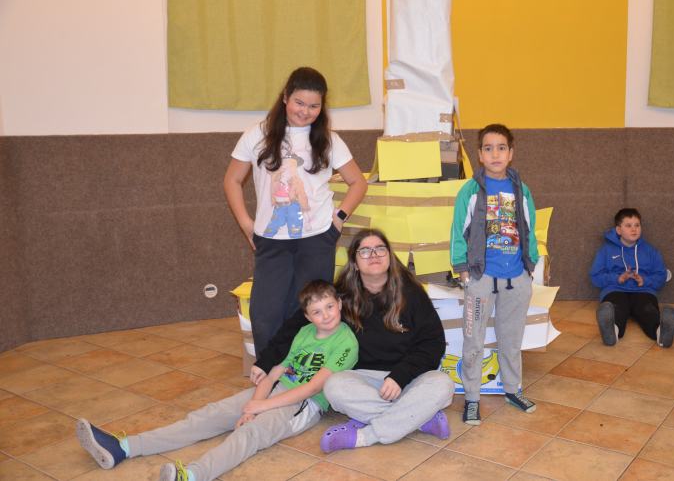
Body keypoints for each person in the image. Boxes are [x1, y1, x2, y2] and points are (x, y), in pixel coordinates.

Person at [75, 280, 357, 481]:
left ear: (339, 304)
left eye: (329, 307)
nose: (325, 315)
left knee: (251, 433)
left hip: (304, 404)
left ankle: (192, 475)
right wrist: (254, 405)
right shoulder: (304, 333)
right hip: (276, 391)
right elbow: (275, 373)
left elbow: (312, 387)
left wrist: (258, 409)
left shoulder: (346, 341)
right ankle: (124, 447)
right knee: (208, 415)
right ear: (307, 316)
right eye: (317, 311)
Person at [257, 228, 454, 452]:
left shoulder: (412, 293)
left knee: (443, 384)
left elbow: (433, 343)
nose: (374, 255)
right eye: (365, 251)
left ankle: (364, 436)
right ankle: (420, 418)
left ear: (389, 256)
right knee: (333, 386)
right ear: (354, 262)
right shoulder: (341, 296)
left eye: (380, 249)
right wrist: (266, 362)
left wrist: (400, 376)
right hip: (363, 380)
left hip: (408, 378)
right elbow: (296, 325)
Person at [223, 66, 367, 355]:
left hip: (317, 239)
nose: (305, 111)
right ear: (286, 97)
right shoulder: (257, 134)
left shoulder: (329, 139)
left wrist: (338, 220)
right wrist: (246, 224)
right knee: (266, 313)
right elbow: (232, 180)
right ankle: (270, 370)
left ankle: (304, 372)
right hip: (271, 240)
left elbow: (358, 183)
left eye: (314, 106)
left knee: (310, 313)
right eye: (299, 102)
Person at [450, 123, 539, 426]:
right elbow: (458, 231)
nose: (495, 154)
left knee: (511, 339)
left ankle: (513, 390)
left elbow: (530, 228)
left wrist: (530, 266)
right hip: (481, 278)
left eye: (501, 148)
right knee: (473, 340)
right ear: (480, 154)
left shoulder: (521, 189)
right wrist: (463, 270)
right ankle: (472, 397)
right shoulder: (470, 191)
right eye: (488, 149)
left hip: (516, 277)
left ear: (511, 153)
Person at [590, 208, 674, 348]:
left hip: (643, 291)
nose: (634, 229)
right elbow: (595, 276)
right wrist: (617, 279)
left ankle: (661, 333)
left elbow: (661, 275)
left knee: (647, 309)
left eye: (637, 225)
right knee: (617, 308)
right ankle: (612, 332)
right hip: (615, 290)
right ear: (619, 230)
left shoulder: (651, 251)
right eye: (628, 225)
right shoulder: (606, 250)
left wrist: (645, 280)